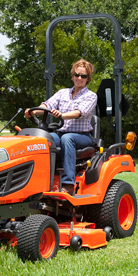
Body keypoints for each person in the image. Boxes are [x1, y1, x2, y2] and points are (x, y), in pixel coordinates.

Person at [25, 59, 98, 195]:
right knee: (41, 140)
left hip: (82, 136)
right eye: (77, 75)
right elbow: (47, 105)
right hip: (61, 134)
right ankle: (36, 179)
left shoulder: (91, 96)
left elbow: (79, 113)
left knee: (67, 139)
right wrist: (34, 111)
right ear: (72, 76)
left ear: (88, 79)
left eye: (83, 76)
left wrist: (62, 115)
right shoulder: (62, 93)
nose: (79, 78)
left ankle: (68, 184)